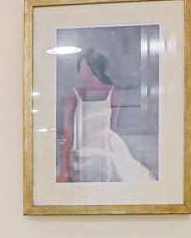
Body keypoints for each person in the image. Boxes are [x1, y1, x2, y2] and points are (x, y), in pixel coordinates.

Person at [56, 49, 154, 183]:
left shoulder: (115, 92)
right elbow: (67, 132)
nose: (79, 71)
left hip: (108, 146)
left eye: (82, 66)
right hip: (83, 149)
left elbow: (112, 126)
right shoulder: (73, 95)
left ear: (93, 68)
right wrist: (64, 167)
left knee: (114, 163)